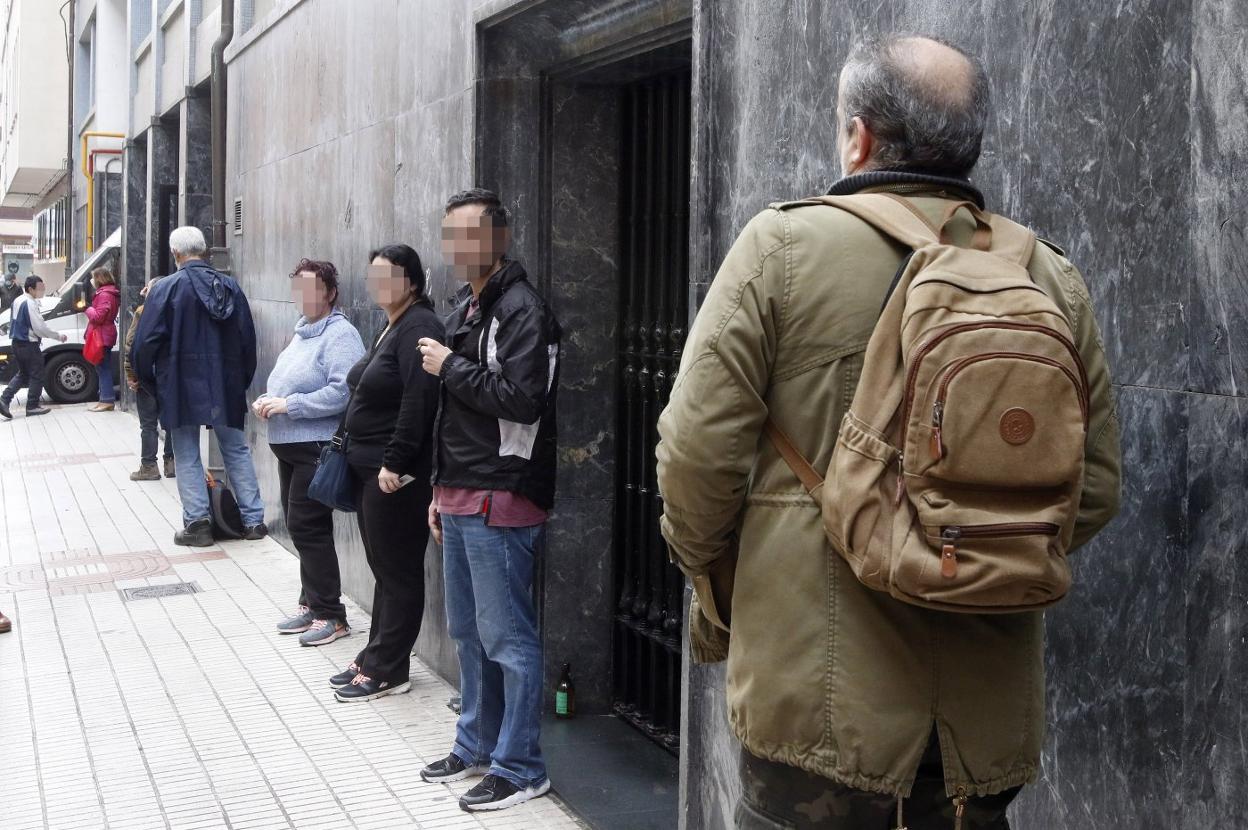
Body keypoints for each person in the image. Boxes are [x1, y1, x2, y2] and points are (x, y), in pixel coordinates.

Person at [655, 35, 1122, 830]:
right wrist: (973, 552)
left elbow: (696, 460)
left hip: (814, 706)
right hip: (983, 723)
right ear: (968, 144)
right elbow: (1096, 486)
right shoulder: (1049, 276)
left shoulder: (785, 247)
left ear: (859, 136)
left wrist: (725, 587)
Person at [417, 189, 562, 813]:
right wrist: (438, 487)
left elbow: (523, 400)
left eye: (469, 234)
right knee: (470, 633)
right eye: (451, 234)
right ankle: (475, 742)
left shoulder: (523, 310)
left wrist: (450, 365)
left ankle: (521, 765)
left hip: (501, 493)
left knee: (508, 636)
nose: (458, 247)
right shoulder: (470, 305)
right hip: (461, 489)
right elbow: (454, 417)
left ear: (498, 239)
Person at [327, 244, 441, 700]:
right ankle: (377, 652)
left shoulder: (421, 325)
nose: (378, 285)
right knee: (383, 568)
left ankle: (390, 668)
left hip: (394, 475)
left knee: (398, 571)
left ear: (411, 281)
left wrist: (396, 461)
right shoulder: (391, 325)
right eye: (372, 276)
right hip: (369, 468)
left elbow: (419, 402)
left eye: (387, 276)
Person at [130, 226, 267, 547]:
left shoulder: (165, 289)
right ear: (204, 251)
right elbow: (249, 342)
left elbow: (144, 344)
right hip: (225, 383)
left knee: (186, 451)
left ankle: (198, 524)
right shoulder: (230, 287)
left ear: (175, 254)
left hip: (178, 384)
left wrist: (150, 383)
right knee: (235, 448)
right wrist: (240, 382)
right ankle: (253, 521)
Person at [255, 258, 364, 646]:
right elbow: (289, 382)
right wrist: (271, 398)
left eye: (311, 288)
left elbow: (344, 391)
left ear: (330, 293)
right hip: (289, 446)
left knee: (308, 527)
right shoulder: (304, 332)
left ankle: (332, 615)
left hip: (315, 448)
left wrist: (290, 405)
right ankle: (311, 602)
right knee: (299, 525)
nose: (302, 295)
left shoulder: (340, 334)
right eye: (297, 287)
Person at [125, 277, 174, 480]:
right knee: (171, 422)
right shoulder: (175, 312)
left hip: (146, 376)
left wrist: (131, 375)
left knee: (148, 424)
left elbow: (131, 345)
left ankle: (149, 466)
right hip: (170, 376)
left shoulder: (142, 312)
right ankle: (171, 464)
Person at [0, 276, 67, 420]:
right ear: (31, 289)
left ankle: (4, 400)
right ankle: (32, 406)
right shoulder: (30, 303)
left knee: (23, 374)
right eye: (40, 288)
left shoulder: (18, 300)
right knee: (37, 374)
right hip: (28, 343)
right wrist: (58, 336)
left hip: (17, 343)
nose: (42, 291)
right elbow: (39, 327)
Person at [84, 266, 121, 412]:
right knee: (101, 367)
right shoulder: (107, 293)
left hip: (102, 335)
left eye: (93, 277)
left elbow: (98, 316)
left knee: (103, 367)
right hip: (104, 334)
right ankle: (104, 398)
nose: (92, 281)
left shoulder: (105, 294)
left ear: (99, 278)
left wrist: (87, 308)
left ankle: (107, 399)